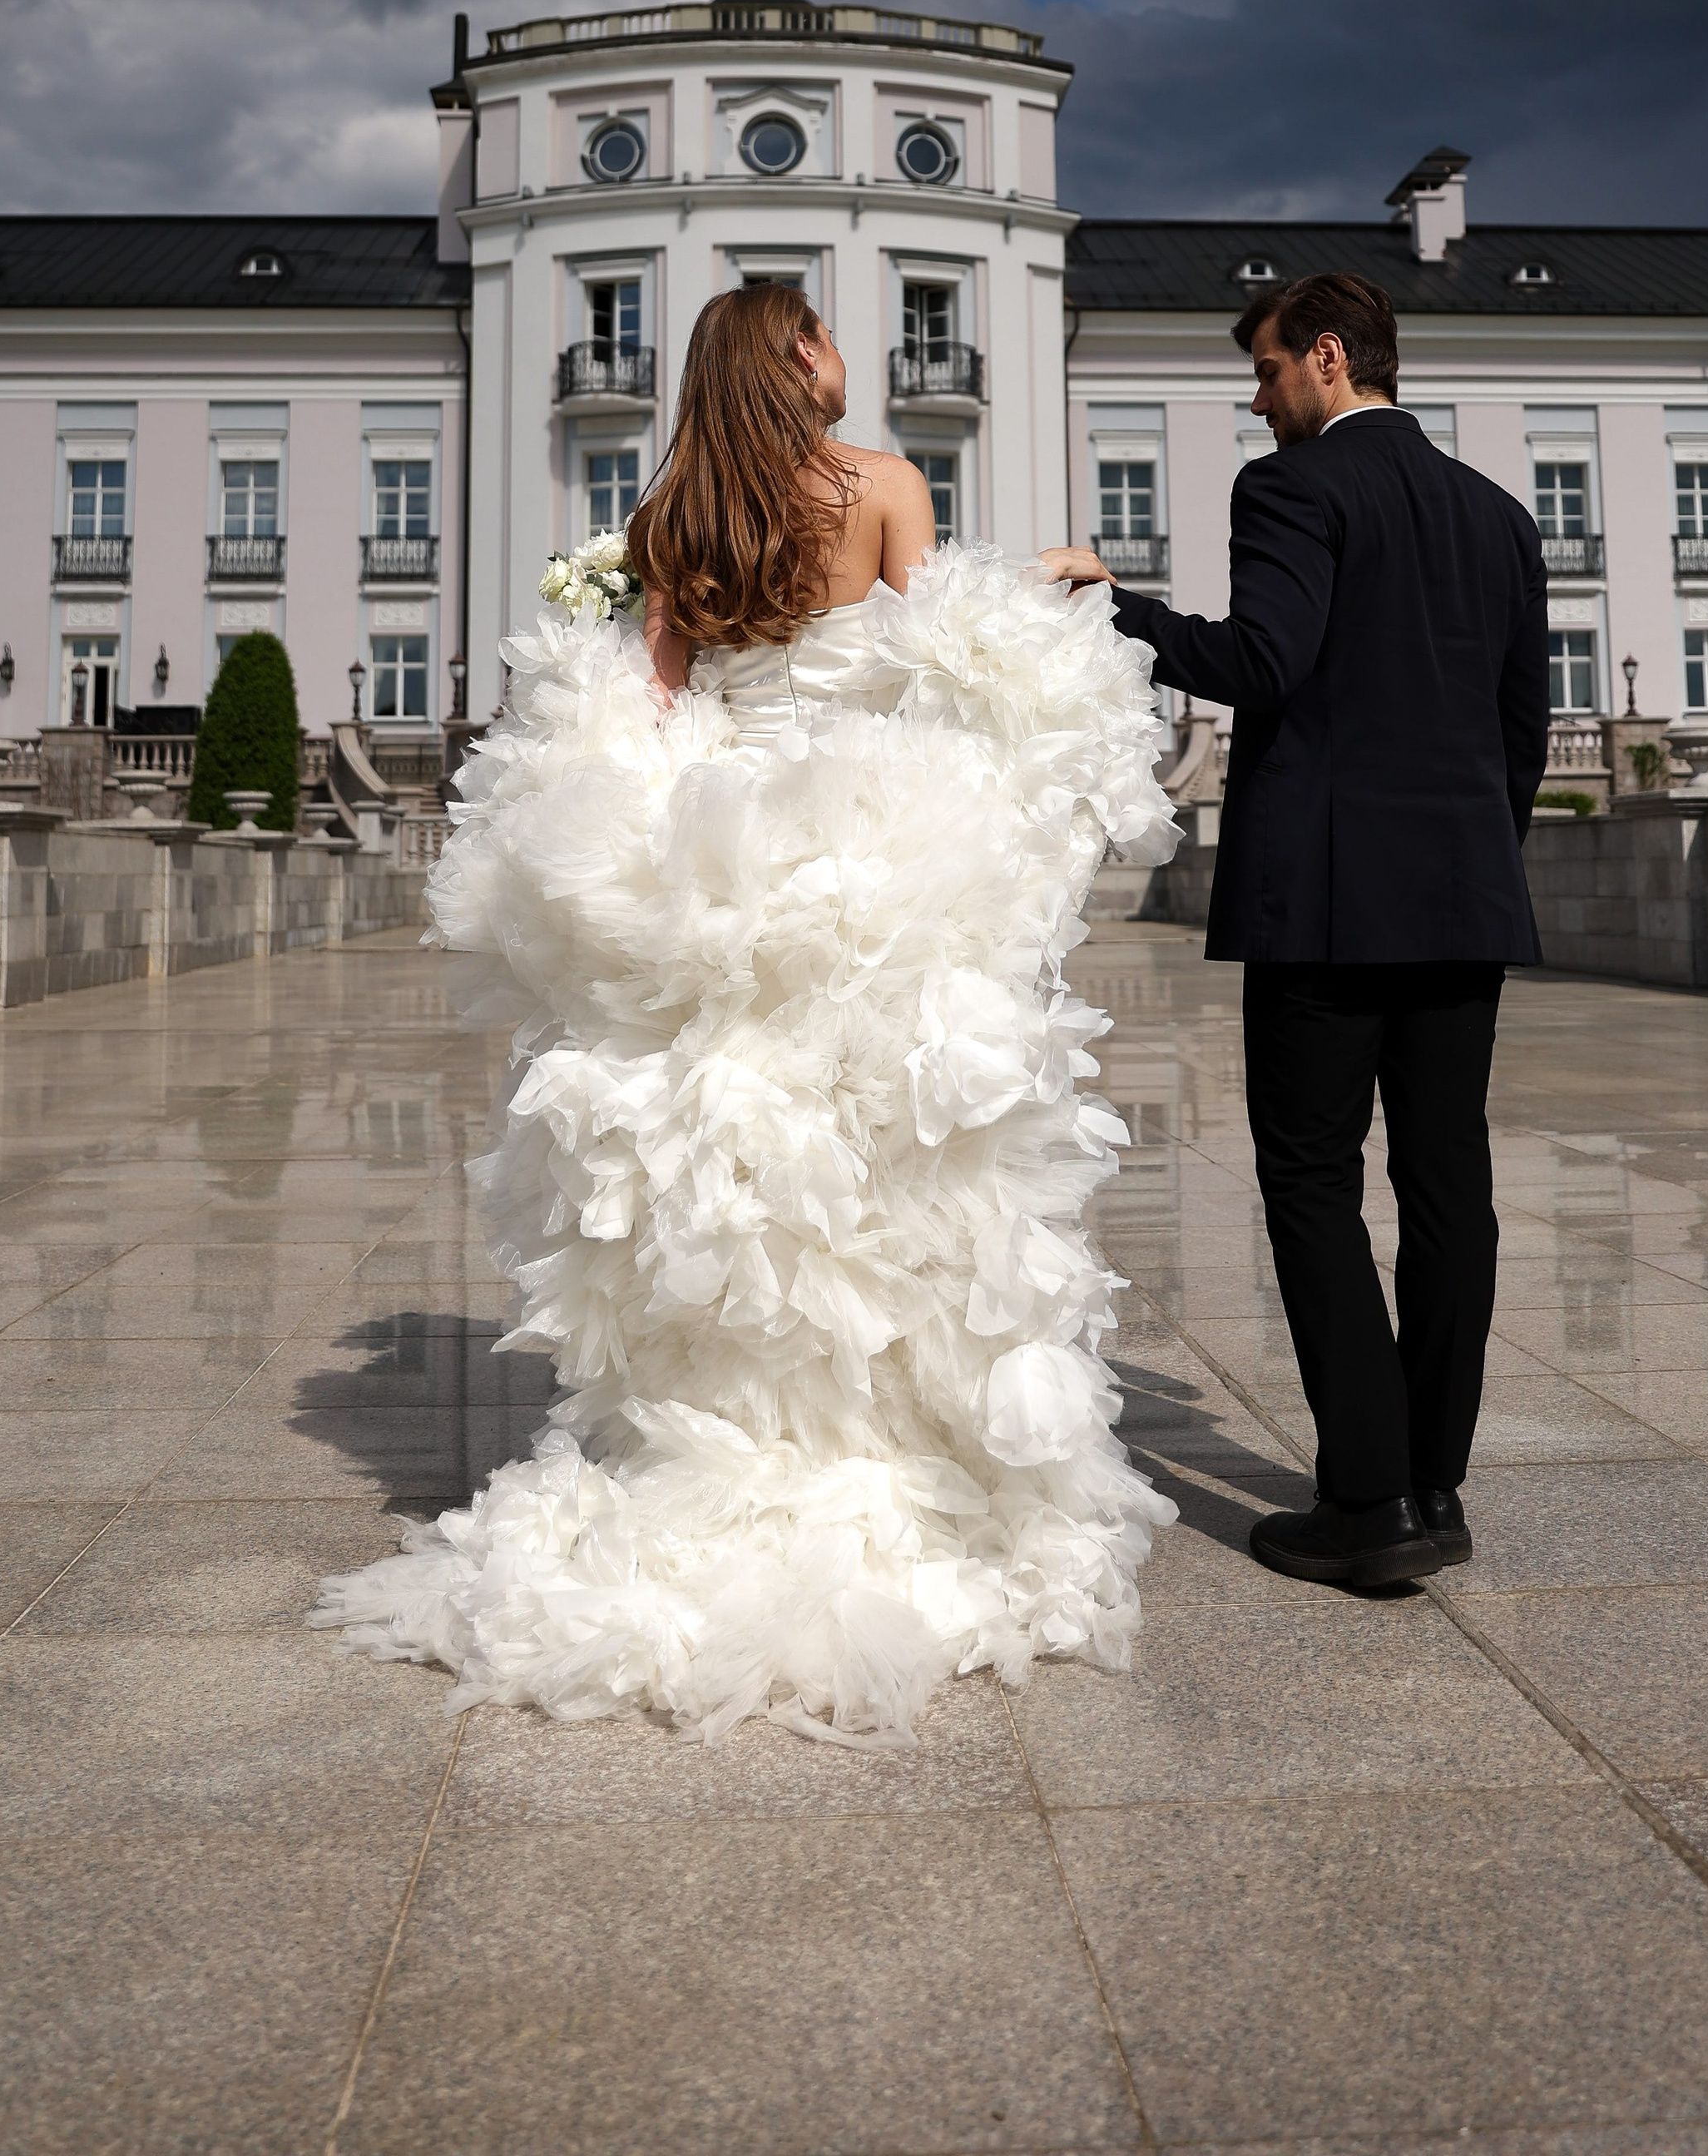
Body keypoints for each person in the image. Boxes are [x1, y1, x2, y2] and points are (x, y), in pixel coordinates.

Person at [315, 281, 1176, 1743]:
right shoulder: (887, 487)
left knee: (723, 1158)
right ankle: (891, 1450)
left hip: (718, 853)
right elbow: (938, 661)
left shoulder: (675, 520)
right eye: (826, 331)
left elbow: (648, 714)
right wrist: (1042, 593)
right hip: (870, 854)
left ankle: (724, 1437)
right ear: (796, 359)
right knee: (882, 1165)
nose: (842, 351)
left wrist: (636, 858)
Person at [1042, 271, 1547, 1592]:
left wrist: (1119, 607)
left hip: (1326, 909)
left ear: (1328, 358)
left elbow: (1264, 662)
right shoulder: (1499, 516)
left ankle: (1369, 1503)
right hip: (1461, 898)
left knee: (1313, 1183)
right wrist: (1475, 860)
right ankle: (1435, 1481)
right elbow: (1520, 727)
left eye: (1268, 374)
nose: (1261, 404)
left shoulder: (1293, 488)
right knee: (1452, 1188)